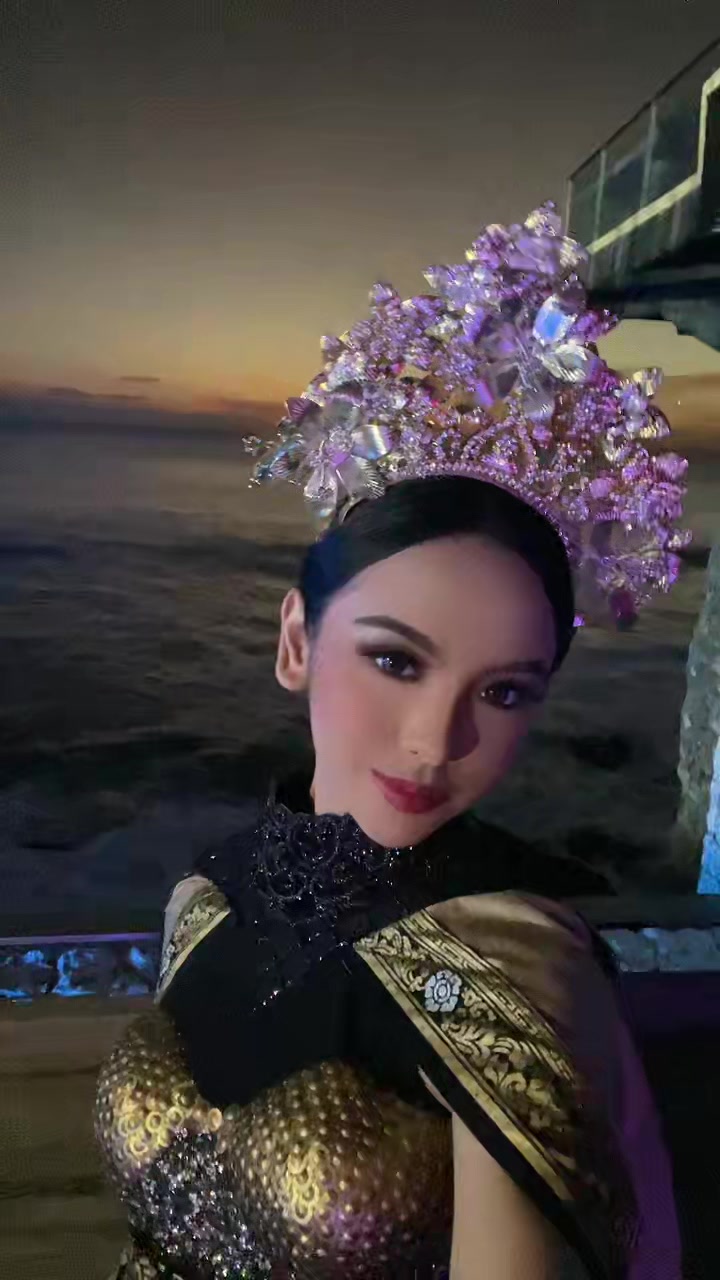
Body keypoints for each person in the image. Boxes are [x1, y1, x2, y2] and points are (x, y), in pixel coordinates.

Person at [95, 205, 688, 1279]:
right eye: (396, 660)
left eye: (502, 691)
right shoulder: (207, 897)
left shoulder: (511, 967)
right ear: (295, 640)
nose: (435, 740)